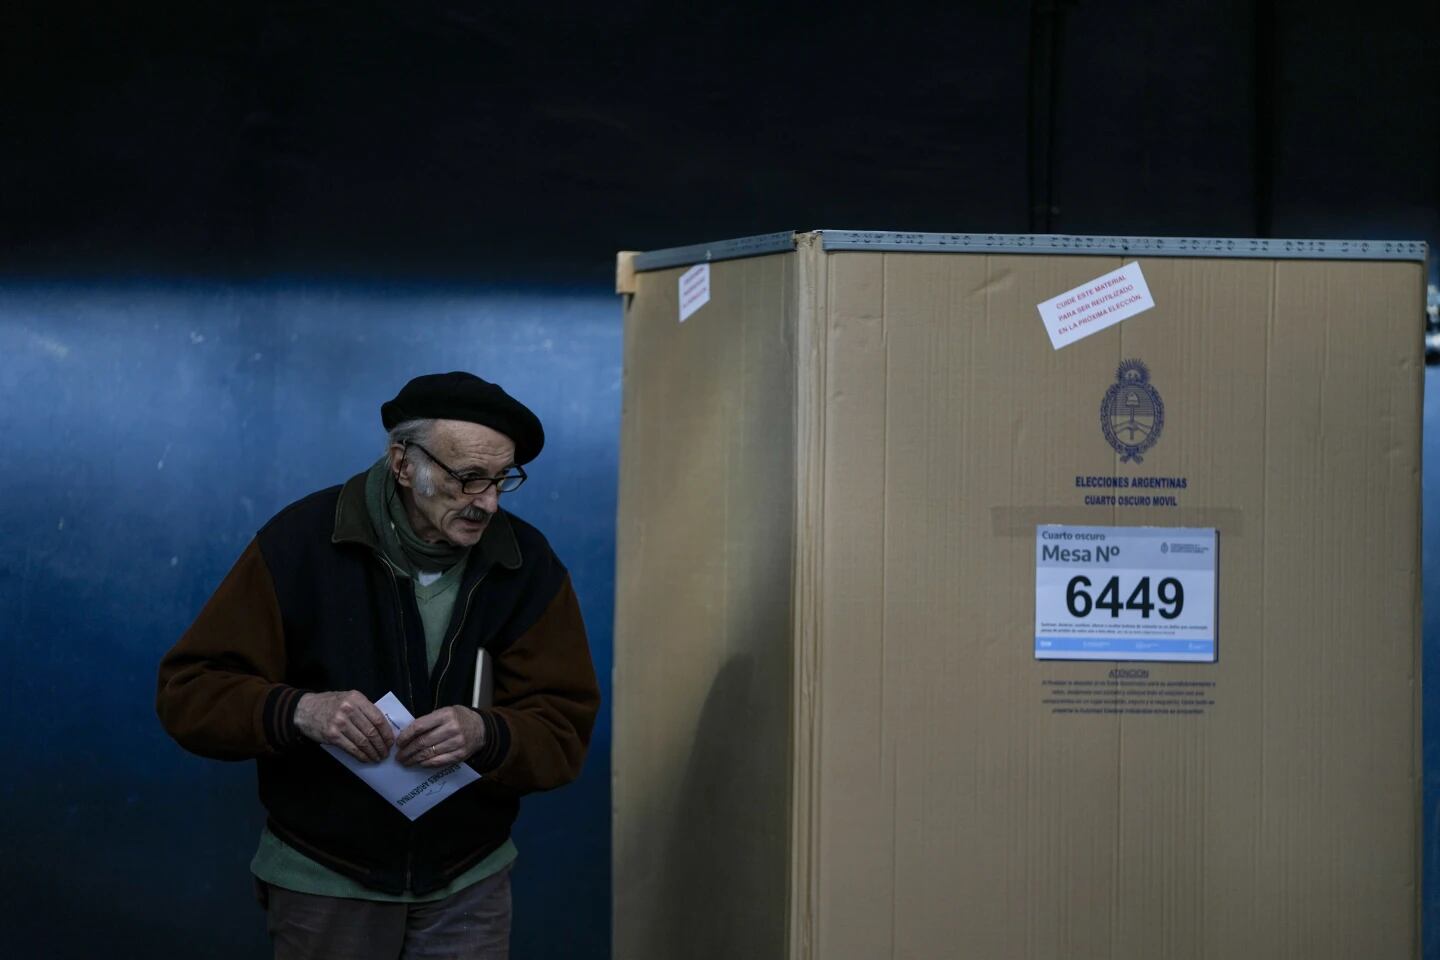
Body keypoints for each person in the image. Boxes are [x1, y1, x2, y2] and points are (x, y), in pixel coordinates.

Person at [157, 371, 600, 960]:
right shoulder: (301, 543)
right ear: (401, 464)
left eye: (502, 480)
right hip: (326, 879)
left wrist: (485, 733)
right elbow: (190, 692)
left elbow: (564, 727)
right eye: (468, 478)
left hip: (468, 882)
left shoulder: (527, 564)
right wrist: (300, 711)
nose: (487, 502)